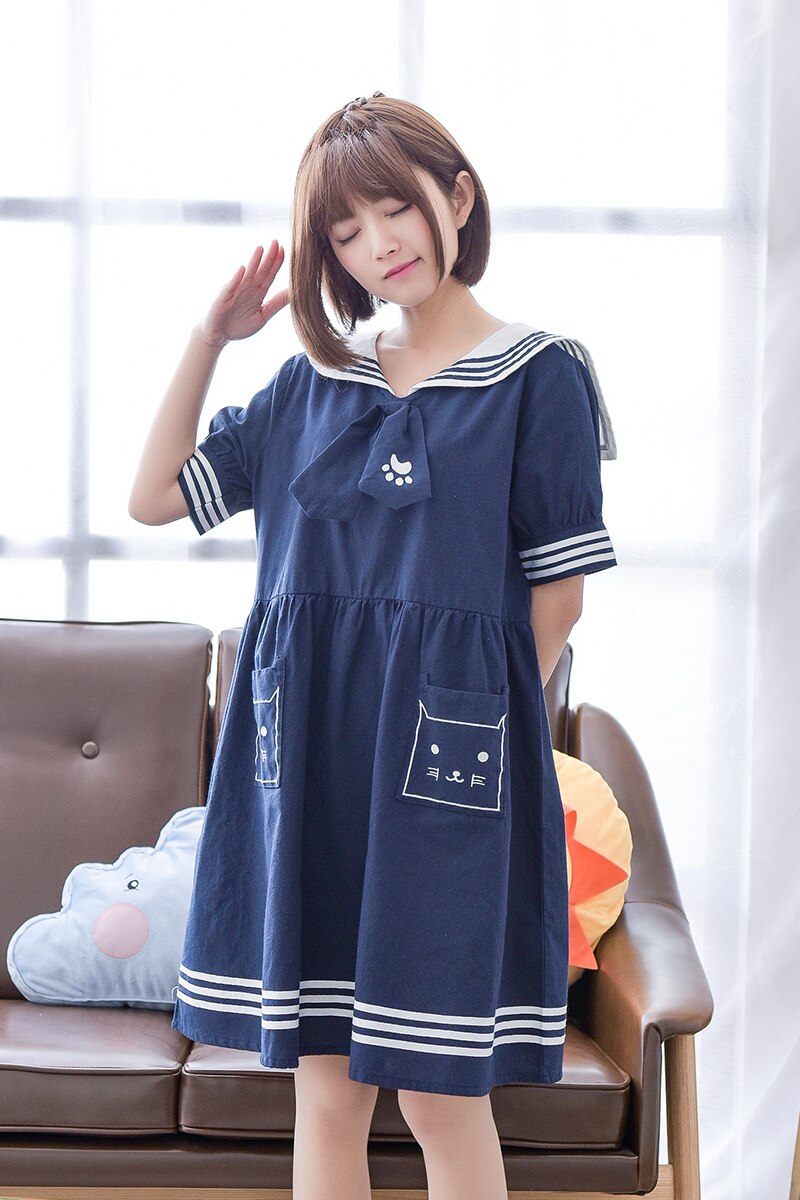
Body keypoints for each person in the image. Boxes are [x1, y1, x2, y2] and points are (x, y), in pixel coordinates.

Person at [129, 92, 618, 1200]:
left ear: (457, 198)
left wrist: (476, 738)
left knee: (441, 1094)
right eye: (345, 231)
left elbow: (559, 601)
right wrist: (209, 340)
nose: (378, 245)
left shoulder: (537, 375)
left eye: (395, 209)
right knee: (327, 1091)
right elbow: (154, 496)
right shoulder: (310, 382)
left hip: (452, 776)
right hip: (308, 762)